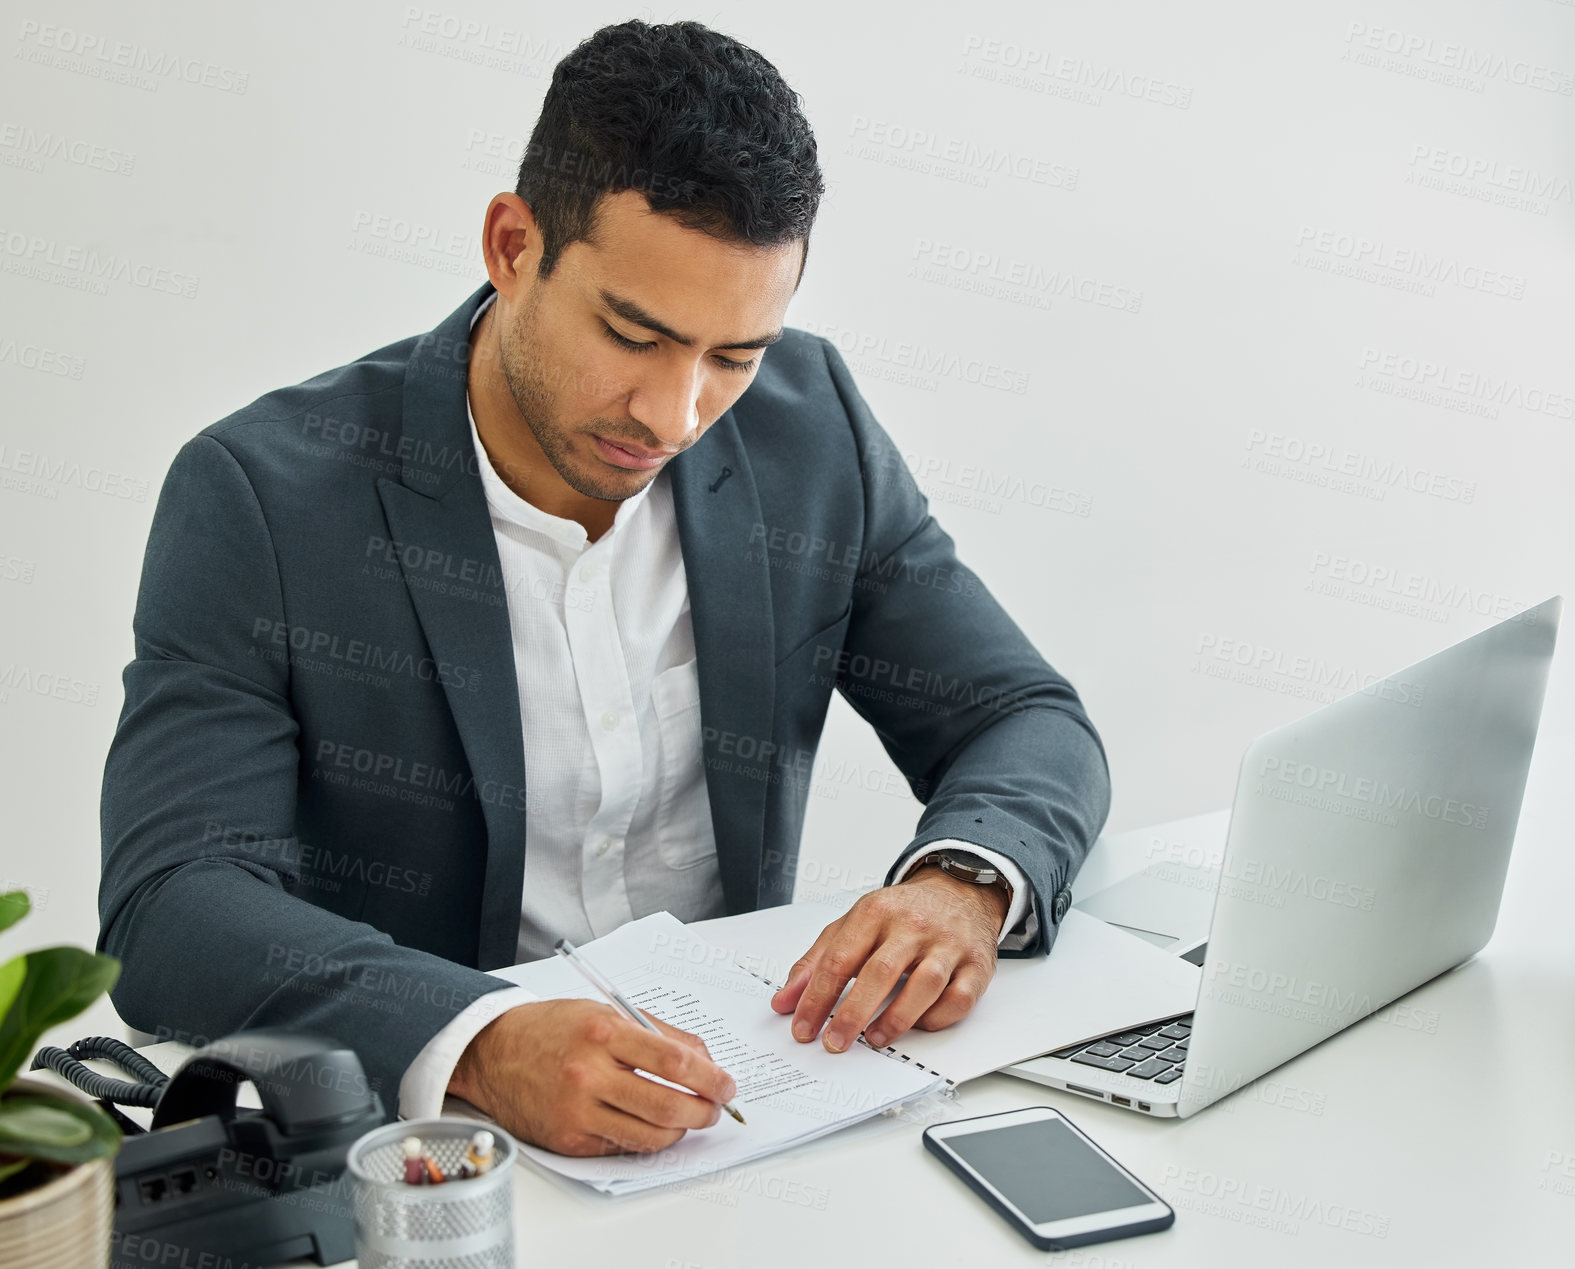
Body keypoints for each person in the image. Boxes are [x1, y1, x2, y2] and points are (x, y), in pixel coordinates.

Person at [98, 19, 1110, 1158]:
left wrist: (962, 883)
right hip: (429, 1140)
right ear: (513, 245)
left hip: (736, 1122)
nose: (674, 416)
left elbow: (1019, 715)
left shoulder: (810, 428)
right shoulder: (262, 497)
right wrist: (478, 1032)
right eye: (634, 334)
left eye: (735, 356)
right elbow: (171, 904)